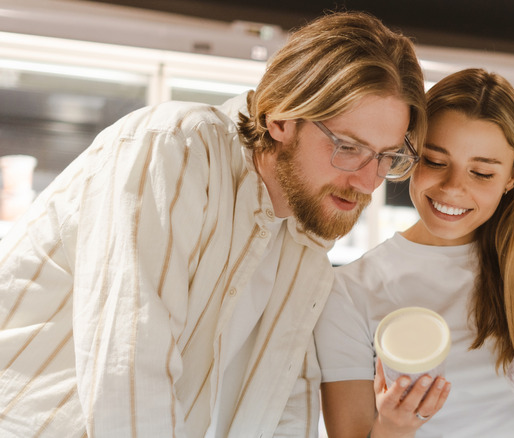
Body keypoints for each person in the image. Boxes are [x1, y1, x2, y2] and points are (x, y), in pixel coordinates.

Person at [0, 11, 426, 438]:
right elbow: (130, 376)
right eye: (348, 147)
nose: (367, 181)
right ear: (280, 118)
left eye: (387, 157)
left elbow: (281, 408)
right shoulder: (174, 149)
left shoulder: (306, 241)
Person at [314, 68, 514, 438]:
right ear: (412, 153)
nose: (453, 189)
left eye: (482, 173)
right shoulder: (349, 290)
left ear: (512, 178)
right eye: (435, 161)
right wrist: (393, 427)